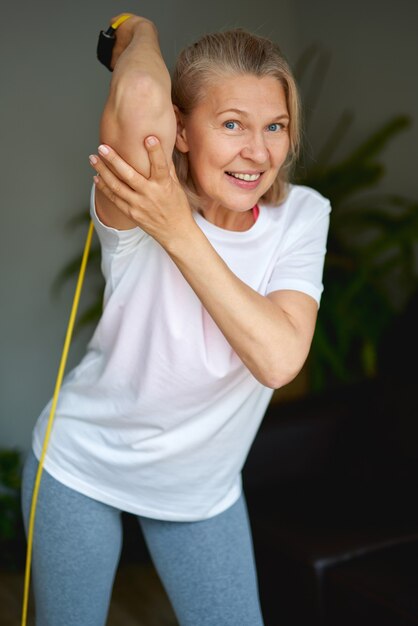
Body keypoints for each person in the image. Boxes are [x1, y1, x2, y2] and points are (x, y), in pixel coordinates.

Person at [22, 13, 330, 626]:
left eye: (275, 126)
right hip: (80, 465)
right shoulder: (140, 200)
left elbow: (277, 358)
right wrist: (138, 31)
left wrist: (179, 230)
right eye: (231, 124)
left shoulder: (301, 215)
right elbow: (138, 95)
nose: (258, 151)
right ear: (181, 131)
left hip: (201, 490)